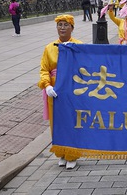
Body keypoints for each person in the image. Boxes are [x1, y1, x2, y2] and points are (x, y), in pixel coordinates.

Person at [38, 15, 83, 169]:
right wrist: (47, 85)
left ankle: (72, 154)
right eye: (60, 25)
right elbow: (44, 69)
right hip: (55, 91)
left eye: (66, 25)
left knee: (72, 121)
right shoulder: (49, 48)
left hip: (72, 88)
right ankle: (61, 152)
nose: (62, 28)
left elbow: (86, 67)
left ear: (72, 27)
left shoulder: (79, 46)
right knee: (57, 123)